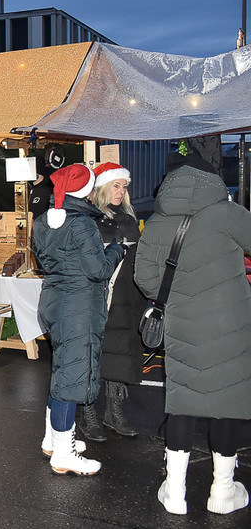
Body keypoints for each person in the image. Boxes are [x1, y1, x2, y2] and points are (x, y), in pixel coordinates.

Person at [134, 153, 251, 516]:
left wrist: (174, 297)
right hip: (231, 323)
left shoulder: (156, 221)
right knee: (227, 404)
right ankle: (222, 492)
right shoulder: (227, 213)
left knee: (182, 403)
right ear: (213, 182)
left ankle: (175, 491)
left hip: (181, 323)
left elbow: (145, 278)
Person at [31, 164, 124, 476]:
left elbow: (45, 262)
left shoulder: (44, 221)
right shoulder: (83, 224)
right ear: (86, 192)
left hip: (54, 302)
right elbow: (98, 270)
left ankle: (53, 439)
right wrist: (116, 252)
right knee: (70, 379)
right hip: (78, 307)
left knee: (61, 370)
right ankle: (64, 452)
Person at [78, 162, 145, 442]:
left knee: (120, 354)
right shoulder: (89, 217)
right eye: (116, 185)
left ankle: (114, 412)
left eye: (124, 186)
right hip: (97, 296)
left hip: (126, 296)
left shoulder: (128, 217)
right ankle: (88, 413)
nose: (120, 191)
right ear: (103, 186)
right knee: (93, 355)